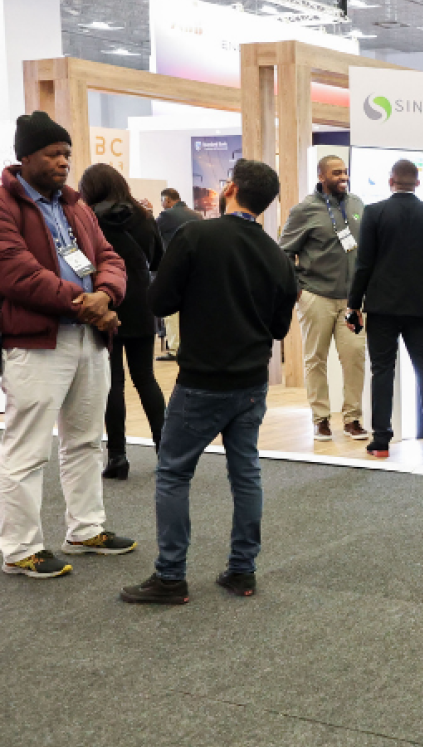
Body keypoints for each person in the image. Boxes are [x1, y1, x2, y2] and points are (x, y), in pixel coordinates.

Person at [119, 158, 298, 604]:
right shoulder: (277, 256)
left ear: (230, 188)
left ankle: (171, 576)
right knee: (246, 472)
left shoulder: (195, 236)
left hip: (202, 379)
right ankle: (243, 571)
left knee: (173, 473)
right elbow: (279, 328)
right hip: (252, 381)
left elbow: (159, 301)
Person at [0, 111, 133, 580]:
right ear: (26, 157)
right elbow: (15, 271)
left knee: (85, 440)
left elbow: (110, 257)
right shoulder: (4, 203)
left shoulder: (76, 205)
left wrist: (106, 295)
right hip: (36, 343)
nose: (63, 162)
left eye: (67, 154)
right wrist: (86, 304)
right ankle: (20, 548)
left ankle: (85, 529)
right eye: (53, 154)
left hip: (88, 339)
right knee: (27, 449)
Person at [347, 159, 423, 459]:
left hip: (381, 306)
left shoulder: (374, 212)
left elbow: (364, 264)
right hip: (421, 308)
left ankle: (381, 440)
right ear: (417, 183)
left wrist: (354, 304)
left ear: (390, 181)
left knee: (382, 370)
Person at [79, 164, 166, 480]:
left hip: (106, 302)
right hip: (142, 302)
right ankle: (166, 452)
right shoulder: (144, 216)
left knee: (112, 382)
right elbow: (158, 260)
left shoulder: (88, 219)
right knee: (146, 378)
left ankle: (117, 456)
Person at [280, 155, 369, 442]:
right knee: (315, 359)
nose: (343, 177)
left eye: (345, 172)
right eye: (336, 173)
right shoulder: (304, 210)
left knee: (355, 357)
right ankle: (320, 419)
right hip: (316, 296)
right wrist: (298, 288)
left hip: (352, 302)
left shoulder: (357, 205)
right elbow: (284, 252)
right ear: (321, 176)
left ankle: (352, 418)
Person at [154, 187, 201, 362]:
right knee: (192, 310)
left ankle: (174, 349)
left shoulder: (166, 216)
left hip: (173, 268)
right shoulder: (197, 215)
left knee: (172, 313)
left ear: (167, 200)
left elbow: (152, 233)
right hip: (195, 269)